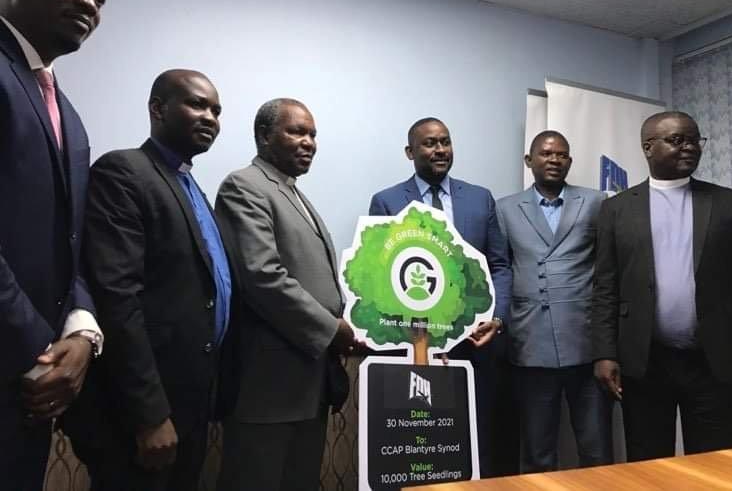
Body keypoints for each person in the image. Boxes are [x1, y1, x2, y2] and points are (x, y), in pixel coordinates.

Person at [64, 70, 233, 491]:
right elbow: (118, 298)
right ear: (158, 109)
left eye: (216, 110)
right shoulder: (124, 172)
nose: (210, 117)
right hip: (143, 415)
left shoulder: (190, 186)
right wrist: (150, 415)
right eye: (197, 104)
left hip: (191, 405)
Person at [0, 0, 106, 489]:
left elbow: (71, 242)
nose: (89, 3)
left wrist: (82, 330)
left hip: (36, 391)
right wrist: (39, 347)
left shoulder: (67, 113)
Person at [215, 98, 357, 491]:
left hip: (309, 380)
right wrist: (331, 329)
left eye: (312, 134)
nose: (308, 142)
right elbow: (262, 276)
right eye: (296, 131)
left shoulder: (293, 193)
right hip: (268, 386)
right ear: (264, 136)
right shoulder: (245, 186)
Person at [591, 111, 732, 461]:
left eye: (695, 140)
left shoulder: (730, 203)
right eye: (677, 140)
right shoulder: (616, 209)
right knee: (649, 463)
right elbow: (605, 286)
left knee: (714, 464)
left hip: (713, 359)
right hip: (645, 360)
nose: (689, 147)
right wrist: (604, 352)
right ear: (648, 147)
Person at [369, 117, 519, 477]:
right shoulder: (387, 202)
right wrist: (423, 339)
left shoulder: (480, 198)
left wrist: (497, 318)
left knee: (476, 445)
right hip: (415, 353)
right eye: (430, 143)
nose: (440, 150)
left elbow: (500, 265)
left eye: (445, 142)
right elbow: (380, 279)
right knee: (423, 452)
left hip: (475, 349)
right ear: (410, 152)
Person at [496, 130, 612, 473]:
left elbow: (607, 268)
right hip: (530, 343)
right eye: (546, 154)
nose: (554, 160)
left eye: (562, 155)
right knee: (538, 451)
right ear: (529, 160)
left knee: (596, 448)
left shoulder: (595, 202)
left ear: (570, 162)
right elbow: (501, 269)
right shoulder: (505, 208)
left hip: (585, 343)